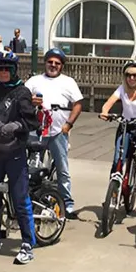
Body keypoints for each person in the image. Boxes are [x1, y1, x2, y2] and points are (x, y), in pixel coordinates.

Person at [0, 51, 40, 264]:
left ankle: (27, 243)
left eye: (8, 68)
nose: (3, 72)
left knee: (20, 198)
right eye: (0, 68)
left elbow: (32, 121)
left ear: (14, 70)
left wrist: (15, 126)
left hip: (14, 152)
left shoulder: (21, 92)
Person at [25, 48, 83, 218]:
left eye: (57, 63)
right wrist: (30, 100)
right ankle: (33, 200)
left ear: (62, 66)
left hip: (58, 131)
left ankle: (67, 204)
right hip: (37, 130)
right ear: (45, 63)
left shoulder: (69, 82)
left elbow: (78, 103)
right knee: (33, 168)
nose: (53, 65)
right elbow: (20, 98)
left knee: (62, 169)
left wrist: (69, 124)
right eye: (50, 62)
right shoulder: (34, 81)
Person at [99, 61, 136, 195]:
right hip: (126, 125)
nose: (131, 78)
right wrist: (104, 111)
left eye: (135, 75)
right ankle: (113, 193)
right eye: (128, 75)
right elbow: (108, 103)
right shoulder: (121, 88)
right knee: (118, 158)